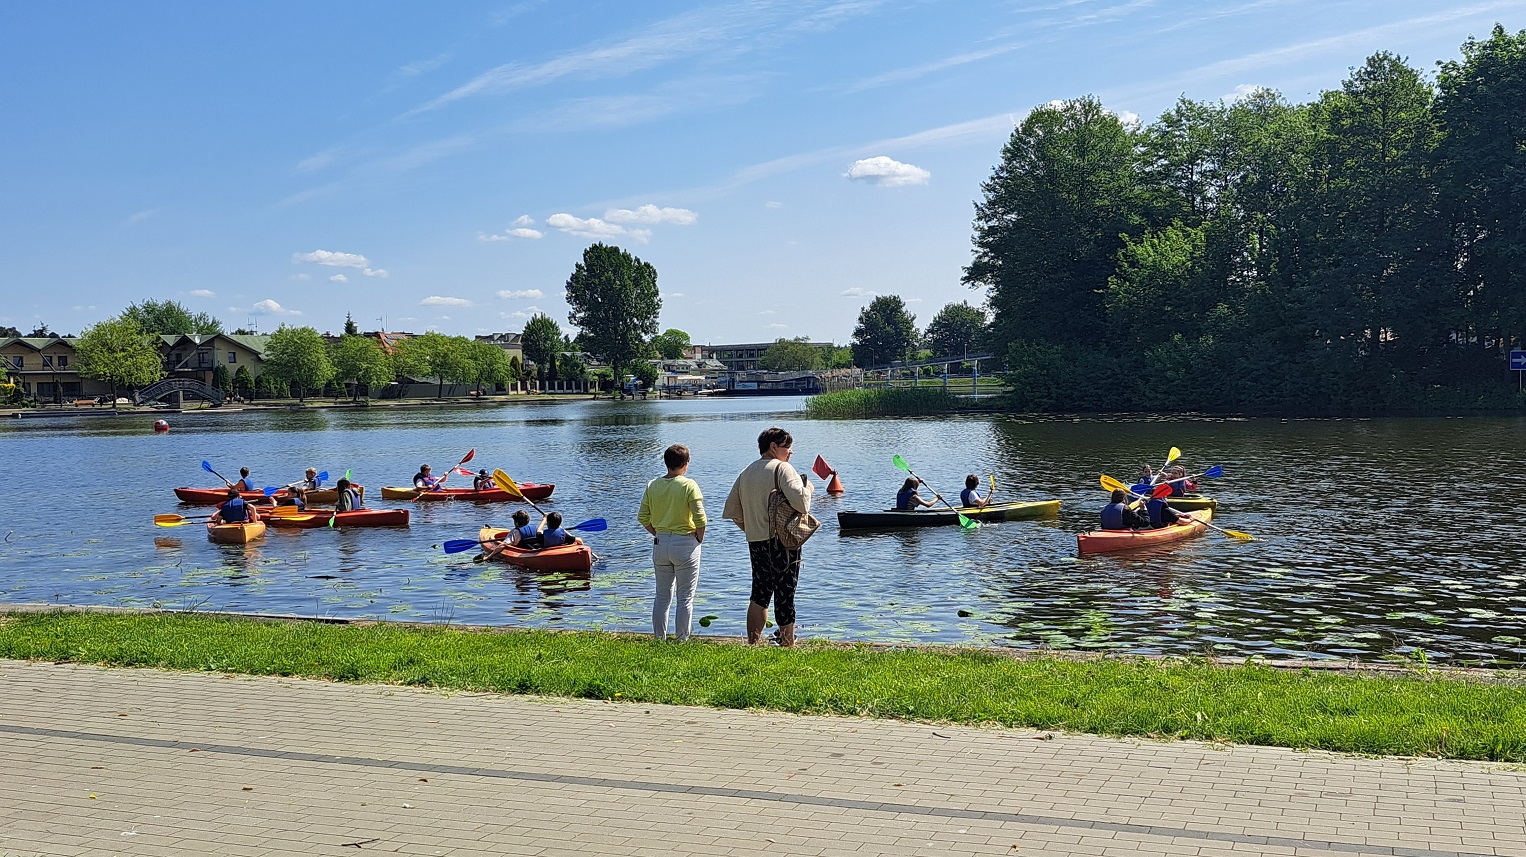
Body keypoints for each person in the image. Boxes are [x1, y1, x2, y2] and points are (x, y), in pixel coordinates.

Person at [722, 426, 813, 648]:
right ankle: (788, 644)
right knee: (785, 592)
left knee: (759, 593)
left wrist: (751, 528)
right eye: (787, 447)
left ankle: (753, 643)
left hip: (756, 540)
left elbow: (732, 510)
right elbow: (802, 504)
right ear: (773, 447)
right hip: (782, 541)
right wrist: (807, 488)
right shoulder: (783, 468)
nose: (790, 452)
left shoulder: (746, 472)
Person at [638, 444, 706, 641]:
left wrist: (656, 532)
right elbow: (701, 519)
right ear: (686, 464)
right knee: (685, 597)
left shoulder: (652, 485)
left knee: (662, 596)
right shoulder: (689, 485)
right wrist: (699, 538)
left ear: (666, 463)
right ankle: (682, 639)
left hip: (660, 542)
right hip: (685, 543)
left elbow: (643, 517)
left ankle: (659, 638)